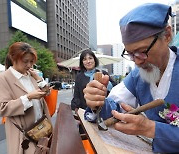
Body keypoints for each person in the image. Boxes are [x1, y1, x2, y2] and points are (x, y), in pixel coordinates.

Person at [83, 3, 179, 153]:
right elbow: (115, 107)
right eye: (130, 54)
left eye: (142, 51)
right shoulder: (137, 75)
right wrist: (98, 102)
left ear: (167, 36)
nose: (137, 61)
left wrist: (151, 129)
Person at [0, 42, 52, 154]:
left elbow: (47, 92)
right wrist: (28, 97)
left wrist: (38, 79)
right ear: (13, 58)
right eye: (25, 61)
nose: (29, 65)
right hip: (23, 134)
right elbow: (2, 108)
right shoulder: (3, 78)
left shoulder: (31, 74)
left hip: (42, 129)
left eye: (31, 62)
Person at [71, 49, 116, 113]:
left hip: (103, 110)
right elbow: (77, 95)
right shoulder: (79, 76)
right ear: (82, 62)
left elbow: (114, 88)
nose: (88, 61)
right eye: (85, 59)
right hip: (85, 110)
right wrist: (76, 109)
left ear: (94, 60)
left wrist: (105, 82)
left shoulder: (102, 73)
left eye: (90, 58)